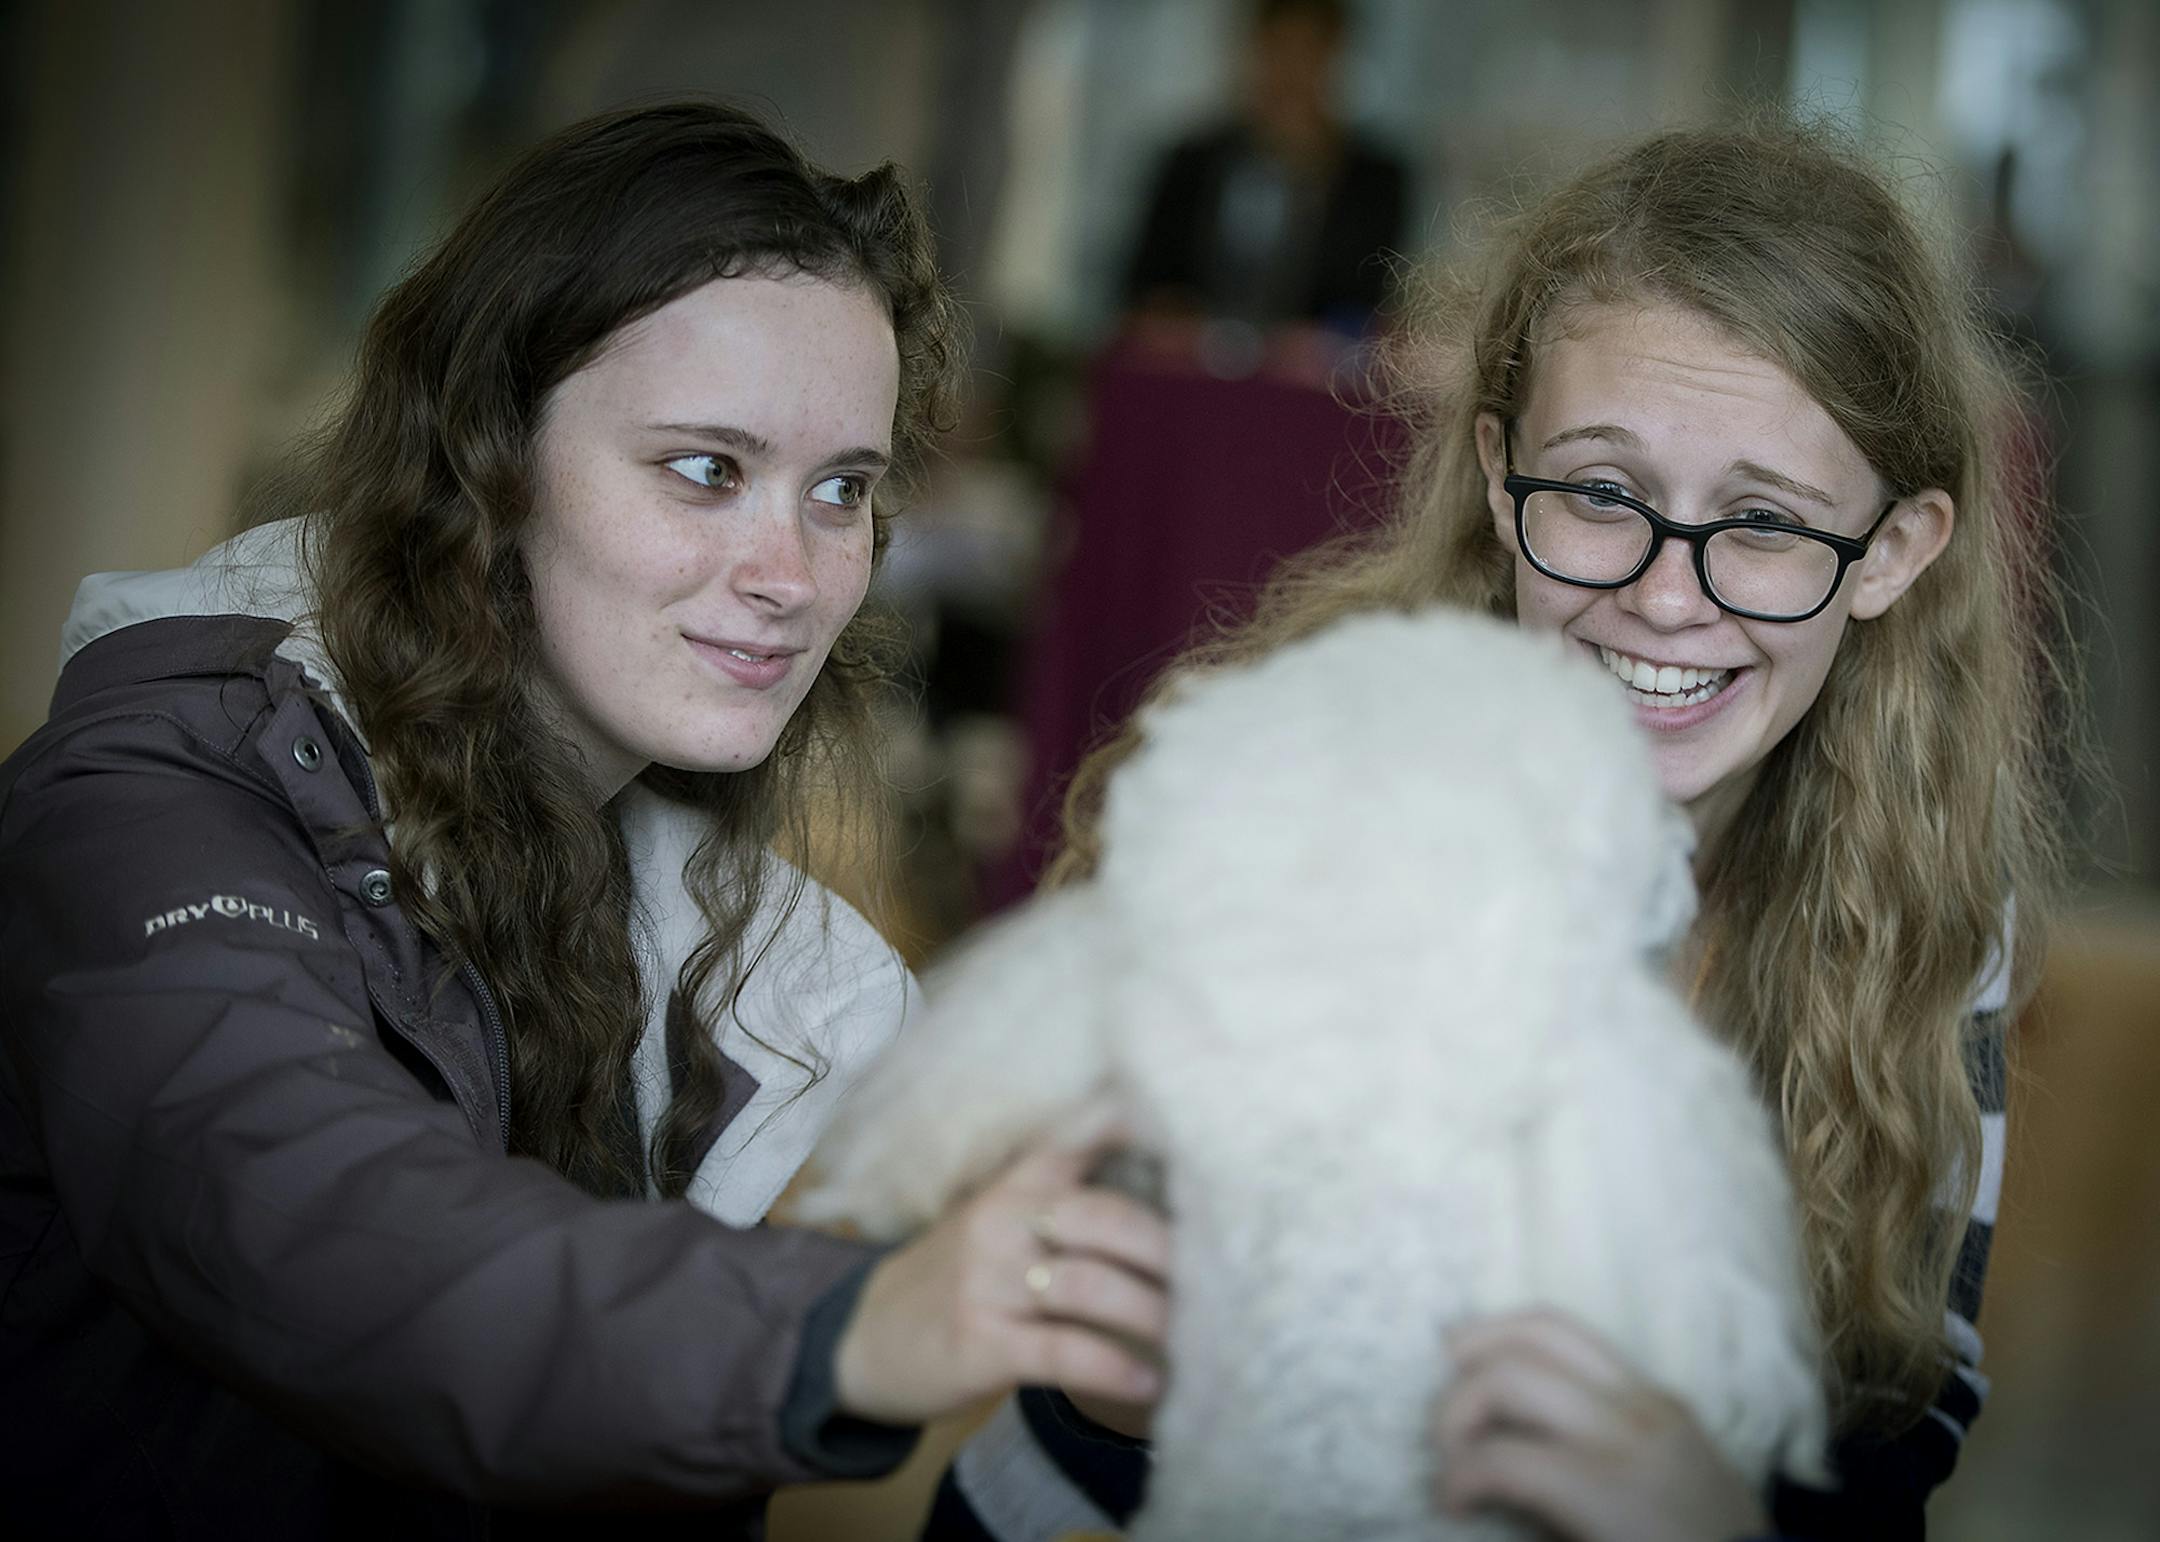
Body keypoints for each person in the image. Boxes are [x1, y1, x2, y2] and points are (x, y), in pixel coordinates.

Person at [0, 100, 1170, 1538]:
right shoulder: (158, 797)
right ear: (490, 459)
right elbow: (325, 1228)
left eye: (842, 491)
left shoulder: (733, 942)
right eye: (705, 468)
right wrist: (845, 1329)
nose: (791, 572)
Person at [926, 117, 2069, 1541]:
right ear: (1496, 471)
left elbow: (1905, 1411)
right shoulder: (1300, 810)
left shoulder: (1925, 917)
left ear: (1893, 553)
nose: (1668, 595)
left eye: (1765, 522)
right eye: (1601, 493)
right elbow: (1087, 1376)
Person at [1122, 0, 1408, 334]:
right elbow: (1144, 285)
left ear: (1334, 56)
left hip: (1312, 378)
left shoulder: (1375, 180)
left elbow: (1368, 301)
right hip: (1192, 366)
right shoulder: (1191, 163)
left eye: (1306, 51)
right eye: (1277, 50)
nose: (1290, 71)